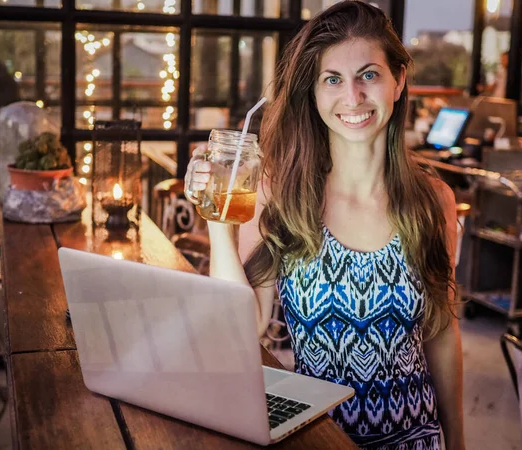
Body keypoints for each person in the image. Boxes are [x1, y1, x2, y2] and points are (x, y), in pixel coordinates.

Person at [185, 2, 464, 449]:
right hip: (319, 438)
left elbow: (442, 334)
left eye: (369, 75)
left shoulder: (433, 202)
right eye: (332, 79)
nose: (352, 97)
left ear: (399, 80)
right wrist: (218, 220)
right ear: (313, 94)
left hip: (417, 439)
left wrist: (459, 443)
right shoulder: (282, 198)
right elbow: (240, 331)